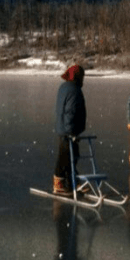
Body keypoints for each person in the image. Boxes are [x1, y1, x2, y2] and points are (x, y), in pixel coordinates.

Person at [53, 64, 86, 194]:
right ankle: (60, 184)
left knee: (72, 156)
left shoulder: (65, 87)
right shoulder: (73, 90)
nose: (83, 79)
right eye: (82, 76)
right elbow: (70, 111)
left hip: (66, 128)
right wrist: (71, 131)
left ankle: (72, 182)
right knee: (65, 157)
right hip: (68, 130)